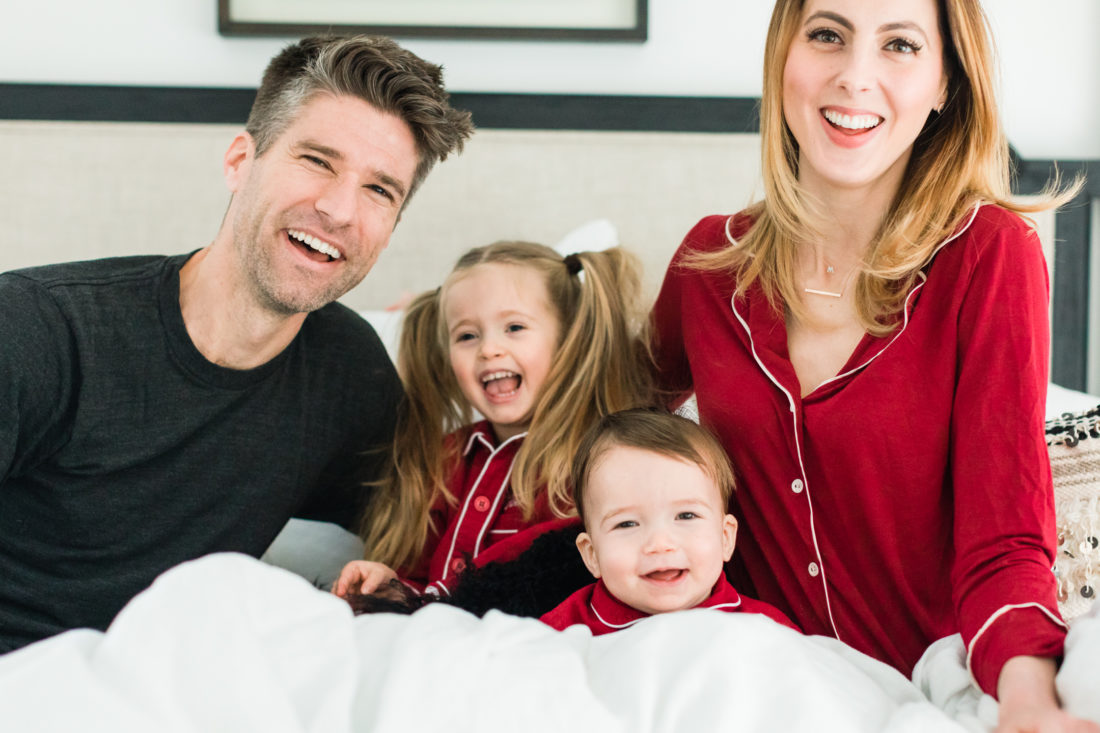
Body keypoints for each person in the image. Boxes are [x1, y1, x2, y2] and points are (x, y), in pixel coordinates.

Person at [650, 1, 1095, 730]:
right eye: (827, 35)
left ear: (945, 82)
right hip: (748, 688)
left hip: (934, 687)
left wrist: (1027, 699)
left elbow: (1004, 545)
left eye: (899, 45)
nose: (855, 77)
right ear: (782, 58)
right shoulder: (708, 266)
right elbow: (594, 450)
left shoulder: (991, 256)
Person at [0, 35, 473, 654]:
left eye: (379, 191)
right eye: (317, 160)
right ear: (239, 161)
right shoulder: (37, 329)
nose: (337, 210)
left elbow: (446, 519)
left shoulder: (347, 371)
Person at [333, 241, 653, 599]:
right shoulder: (446, 458)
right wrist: (389, 585)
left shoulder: (599, 460)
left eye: (514, 327)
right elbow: (421, 586)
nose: (488, 349)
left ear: (569, 339)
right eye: (467, 335)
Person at [540, 408, 798, 634]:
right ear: (592, 554)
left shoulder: (765, 632)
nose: (660, 544)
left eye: (686, 516)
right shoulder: (561, 637)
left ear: (725, 537)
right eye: (627, 524)